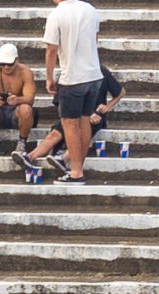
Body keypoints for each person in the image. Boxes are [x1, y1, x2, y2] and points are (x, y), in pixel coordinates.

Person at [41, 0, 103, 185]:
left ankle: (76, 172)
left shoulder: (57, 14)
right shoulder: (90, 9)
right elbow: (95, 39)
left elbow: (52, 49)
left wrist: (49, 77)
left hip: (73, 78)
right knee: (84, 121)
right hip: (94, 75)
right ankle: (79, 168)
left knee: (70, 124)